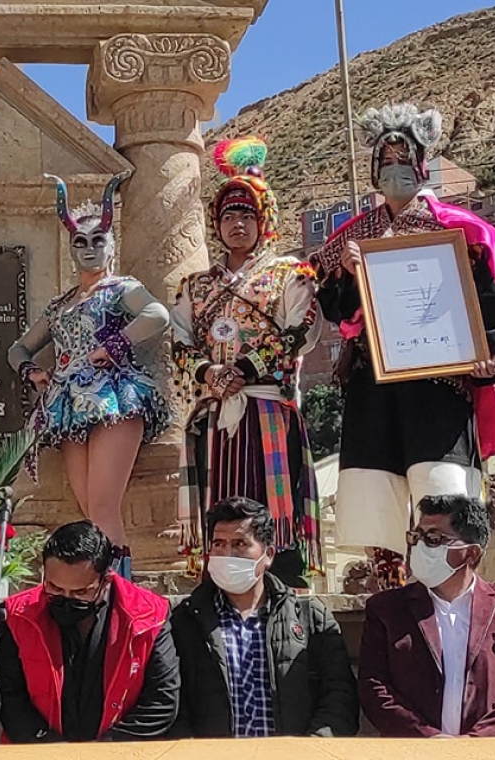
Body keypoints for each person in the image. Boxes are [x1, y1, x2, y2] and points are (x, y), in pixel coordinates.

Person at [314, 104, 495, 590]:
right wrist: (344, 270)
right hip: (374, 384)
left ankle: (454, 595)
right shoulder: (353, 237)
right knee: (377, 498)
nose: (394, 171)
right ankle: (390, 596)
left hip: (440, 385)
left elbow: (487, 305)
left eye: (404, 162)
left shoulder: (455, 230)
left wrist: (494, 357)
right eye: (385, 164)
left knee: (443, 490)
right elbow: (338, 311)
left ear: (422, 166)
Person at [171, 137, 323, 587]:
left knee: (273, 506)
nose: (237, 224)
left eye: (247, 215)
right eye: (228, 215)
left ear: (265, 221)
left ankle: (281, 588)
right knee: (219, 504)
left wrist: (246, 370)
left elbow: (300, 330)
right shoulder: (195, 286)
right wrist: (209, 372)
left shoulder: (290, 275)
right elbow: (179, 339)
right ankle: (218, 587)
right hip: (215, 414)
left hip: (268, 410)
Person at [8, 173, 170, 574]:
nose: (90, 248)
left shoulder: (120, 288)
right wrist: (32, 372)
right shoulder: (61, 304)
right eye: (80, 242)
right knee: (88, 507)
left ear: (111, 245)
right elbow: (18, 347)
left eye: (99, 240)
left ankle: (118, 594)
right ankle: (101, 588)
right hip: (69, 405)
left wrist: (113, 346)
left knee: (102, 506)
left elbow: (157, 315)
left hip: (114, 397)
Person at [171, 496, 357, 738]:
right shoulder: (186, 620)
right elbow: (172, 701)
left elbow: (339, 695)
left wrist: (312, 748)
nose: (227, 553)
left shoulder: (309, 616)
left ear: (267, 554)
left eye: (239, 544)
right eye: (219, 544)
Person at [0, 520, 180, 742]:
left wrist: (102, 751)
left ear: (106, 581)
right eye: (55, 588)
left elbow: (161, 700)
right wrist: (54, 750)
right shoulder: (18, 616)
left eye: (81, 592)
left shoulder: (150, 616)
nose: (67, 598)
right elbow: (12, 699)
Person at [359, 494, 495, 737]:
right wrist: (428, 738)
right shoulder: (386, 610)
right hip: (414, 752)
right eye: (416, 536)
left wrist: (477, 742)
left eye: (433, 539)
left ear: (471, 553)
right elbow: (374, 687)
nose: (419, 547)